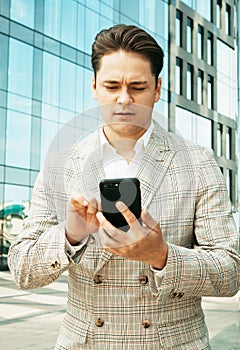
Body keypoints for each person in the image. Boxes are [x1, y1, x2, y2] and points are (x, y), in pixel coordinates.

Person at [8, 24, 240, 350]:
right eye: (112, 85)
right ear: (94, 87)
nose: (124, 99)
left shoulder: (199, 162)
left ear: (157, 89)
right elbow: (21, 270)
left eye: (138, 86)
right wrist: (69, 236)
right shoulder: (62, 163)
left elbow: (230, 272)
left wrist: (161, 255)